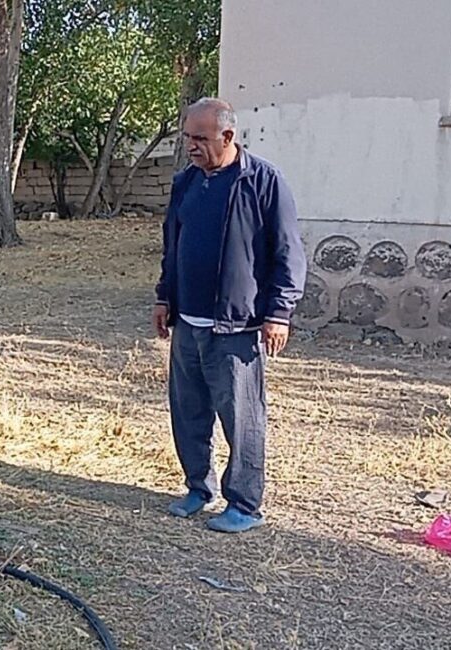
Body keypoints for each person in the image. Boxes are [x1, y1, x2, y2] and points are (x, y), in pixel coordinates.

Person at [152, 97, 306, 533]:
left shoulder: (262, 181)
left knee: (242, 417)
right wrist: (165, 297)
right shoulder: (186, 182)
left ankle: (244, 504)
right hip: (189, 322)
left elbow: (288, 253)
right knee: (188, 410)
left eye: (200, 138)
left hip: (237, 326)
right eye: (187, 137)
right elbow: (172, 244)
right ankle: (197, 488)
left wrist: (279, 313)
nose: (191, 146)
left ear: (228, 136)